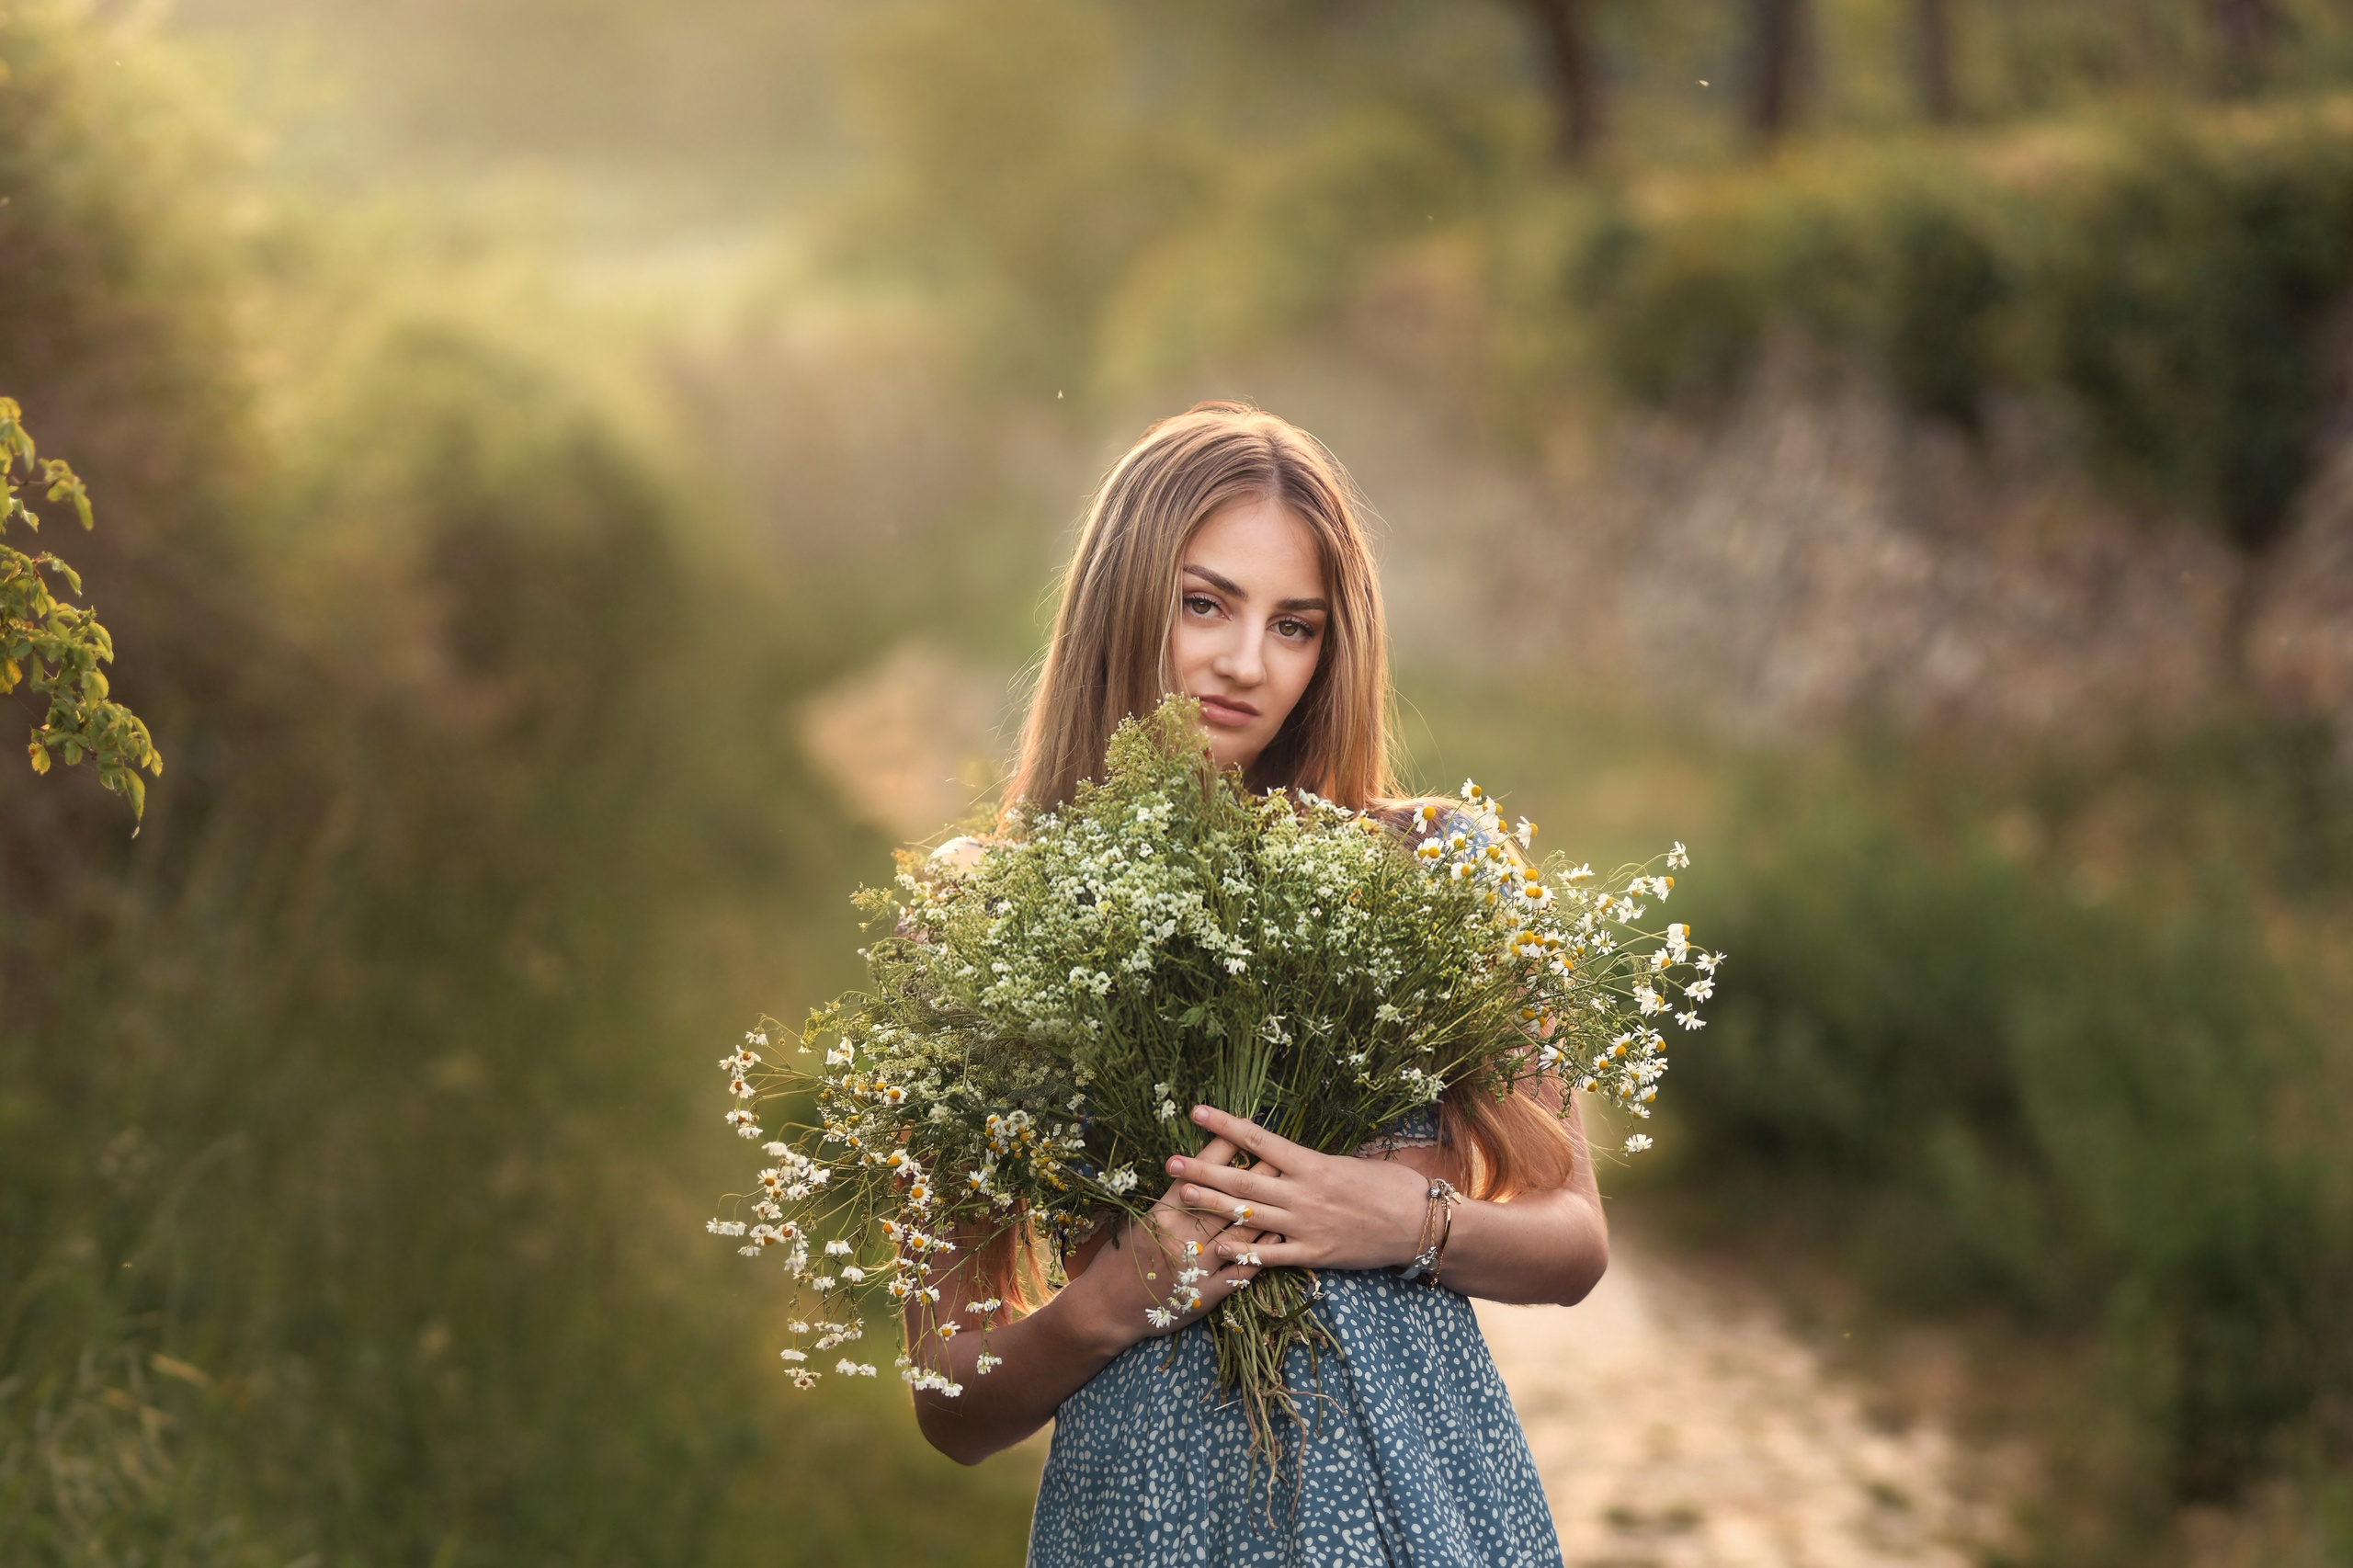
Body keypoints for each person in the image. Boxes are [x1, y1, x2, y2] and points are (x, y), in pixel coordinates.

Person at [910, 401, 1608, 1566]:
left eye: (1295, 626)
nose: (1246, 663)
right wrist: (1113, 1298)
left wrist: (1403, 1219)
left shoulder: (1438, 862)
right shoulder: (984, 909)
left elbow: (1574, 1238)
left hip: (1421, 1502)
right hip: (1143, 1520)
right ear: (1121, 600)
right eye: (1204, 603)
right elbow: (950, 1400)